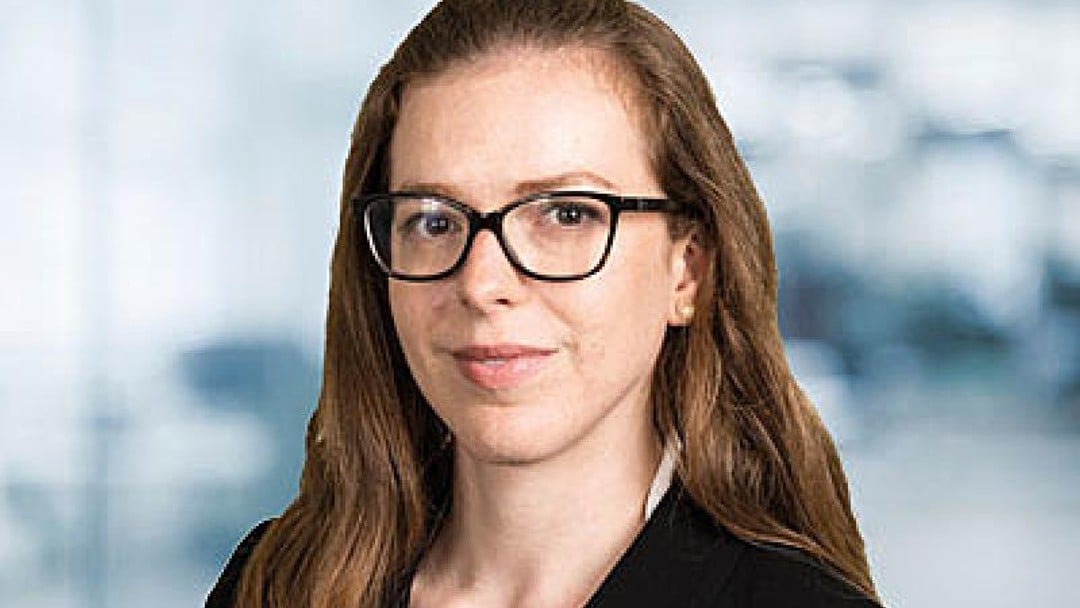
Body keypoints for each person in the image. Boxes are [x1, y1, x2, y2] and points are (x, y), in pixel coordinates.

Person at [206, 1, 881, 606]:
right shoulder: (273, 585)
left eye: (566, 214)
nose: (481, 284)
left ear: (687, 270)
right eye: (434, 221)